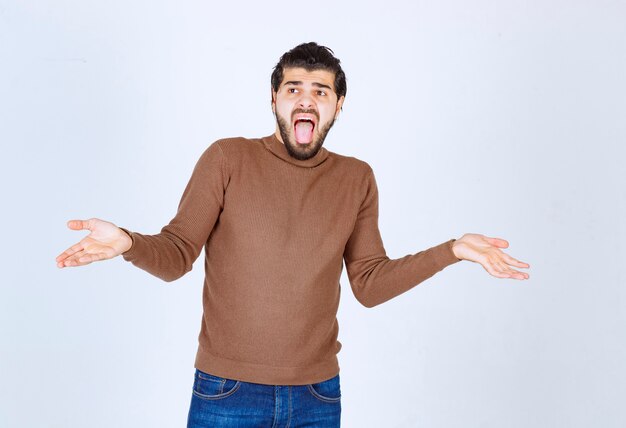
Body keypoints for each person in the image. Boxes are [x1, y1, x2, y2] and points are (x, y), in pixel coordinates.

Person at [56, 42, 530, 427]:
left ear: (338, 106)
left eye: (321, 92)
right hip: (227, 392)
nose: (307, 99)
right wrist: (129, 242)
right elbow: (178, 253)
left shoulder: (356, 178)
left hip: (317, 398)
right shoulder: (227, 158)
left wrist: (451, 251)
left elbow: (369, 282)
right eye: (294, 89)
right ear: (275, 99)